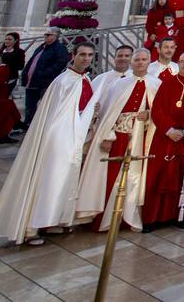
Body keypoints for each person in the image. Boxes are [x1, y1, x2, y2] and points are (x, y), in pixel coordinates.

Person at [0, 43, 98, 245]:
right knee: (47, 180)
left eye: (90, 55)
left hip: (75, 137)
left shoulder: (85, 80)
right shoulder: (62, 81)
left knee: (63, 181)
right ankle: (31, 228)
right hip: (59, 139)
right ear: (73, 56)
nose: (86, 59)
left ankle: (52, 220)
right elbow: (53, 115)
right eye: (82, 55)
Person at [75, 48, 158, 231]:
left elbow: (161, 113)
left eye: (144, 60)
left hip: (141, 138)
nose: (140, 63)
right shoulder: (120, 84)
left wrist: (150, 115)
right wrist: (108, 135)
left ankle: (129, 215)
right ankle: (105, 218)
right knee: (111, 175)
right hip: (118, 136)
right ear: (132, 62)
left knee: (134, 176)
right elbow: (108, 114)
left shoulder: (155, 84)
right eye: (137, 60)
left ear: (149, 62)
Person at [142, 52, 184, 228]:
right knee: (159, 174)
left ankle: (181, 215)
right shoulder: (167, 83)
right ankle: (154, 217)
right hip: (166, 137)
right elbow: (157, 110)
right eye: (182, 61)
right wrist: (169, 129)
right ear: (178, 63)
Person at [20, 27, 69, 128]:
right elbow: (31, 61)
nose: (46, 37)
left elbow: (61, 63)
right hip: (32, 81)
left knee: (46, 105)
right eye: (45, 35)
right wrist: (25, 73)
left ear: (56, 36)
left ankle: (45, 126)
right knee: (29, 105)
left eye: (48, 35)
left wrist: (45, 73)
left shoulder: (59, 48)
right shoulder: (41, 47)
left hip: (45, 82)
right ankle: (28, 124)